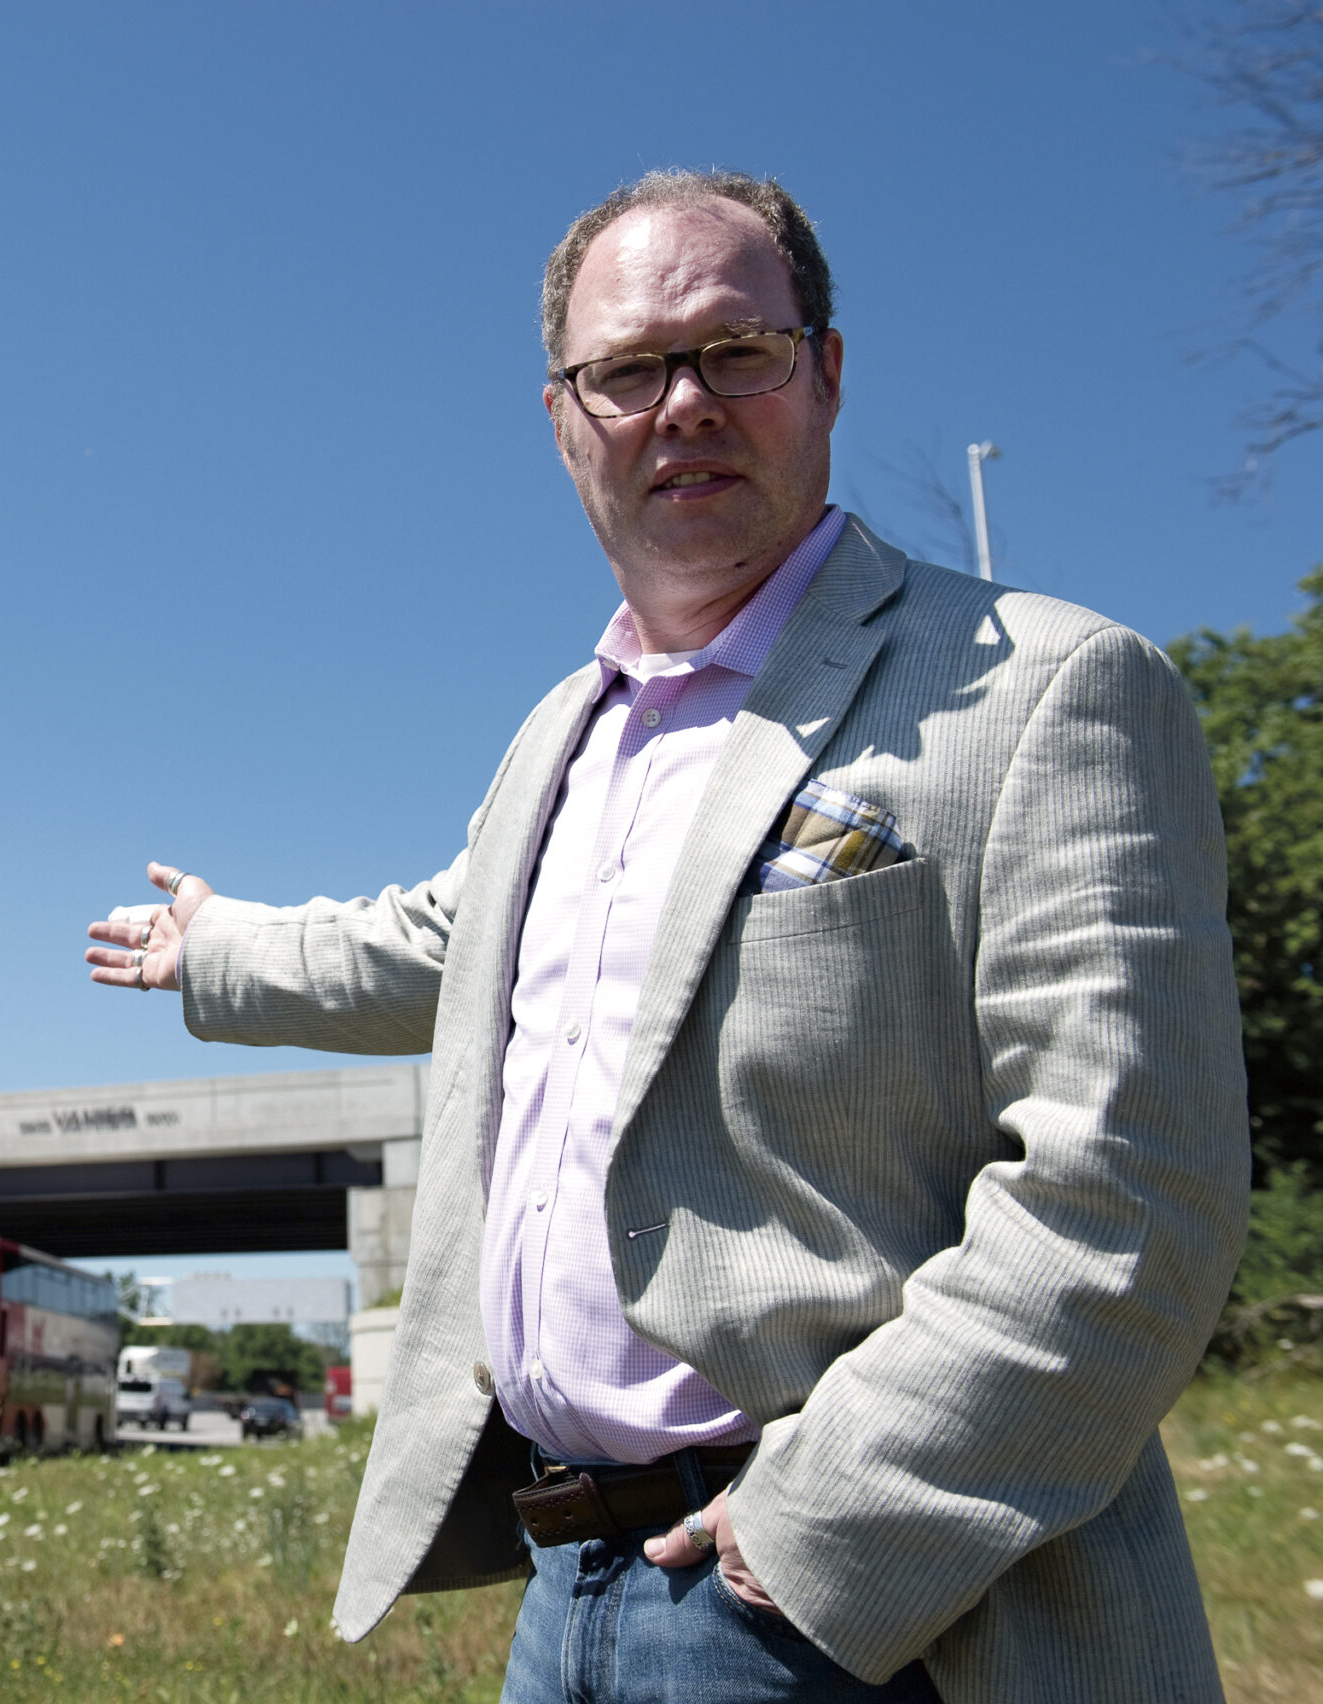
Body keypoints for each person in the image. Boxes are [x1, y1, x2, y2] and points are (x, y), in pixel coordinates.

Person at [84, 170, 1247, 1703]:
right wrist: (223, 949)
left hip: (865, 1609)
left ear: (825, 371)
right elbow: (455, 940)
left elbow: (1128, 1199)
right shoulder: (561, 738)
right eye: (629, 370)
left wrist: (811, 1543)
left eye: (736, 352)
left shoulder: (1048, 688)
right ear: (565, 418)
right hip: (563, 1587)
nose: (682, 403)